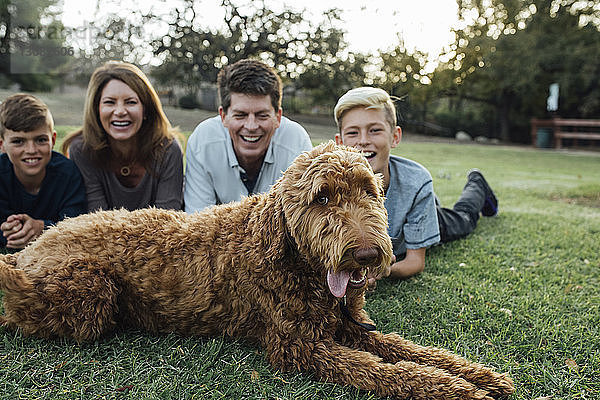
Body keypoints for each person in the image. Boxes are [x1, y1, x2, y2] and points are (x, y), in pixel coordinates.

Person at [334, 87, 498, 285]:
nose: (363, 141)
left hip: (429, 215)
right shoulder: (329, 187)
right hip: (414, 212)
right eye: (353, 133)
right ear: (339, 142)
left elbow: (415, 262)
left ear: (395, 136)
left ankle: (477, 183)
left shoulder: (416, 183)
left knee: (464, 218)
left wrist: (385, 271)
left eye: (375, 130)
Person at [184, 59, 312, 212]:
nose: (251, 126)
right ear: (223, 116)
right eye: (240, 115)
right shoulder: (202, 142)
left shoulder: (297, 144)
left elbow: (301, 221)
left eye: (262, 115)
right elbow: (197, 224)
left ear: (278, 117)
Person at [62, 61, 184, 212]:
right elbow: (97, 222)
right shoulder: (81, 149)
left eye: (131, 102)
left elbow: (167, 221)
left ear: (145, 109)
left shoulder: (168, 149)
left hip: (159, 235)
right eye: (109, 102)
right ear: (96, 109)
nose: (120, 111)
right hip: (103, 234)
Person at [0, 93, 86, 249]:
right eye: (18, 141)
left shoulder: (68, 173)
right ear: (2, 145)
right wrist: (9, 231)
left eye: (41, 140)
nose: (31, 150)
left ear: (52, 140)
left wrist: (42, 228)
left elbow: (76, 223)